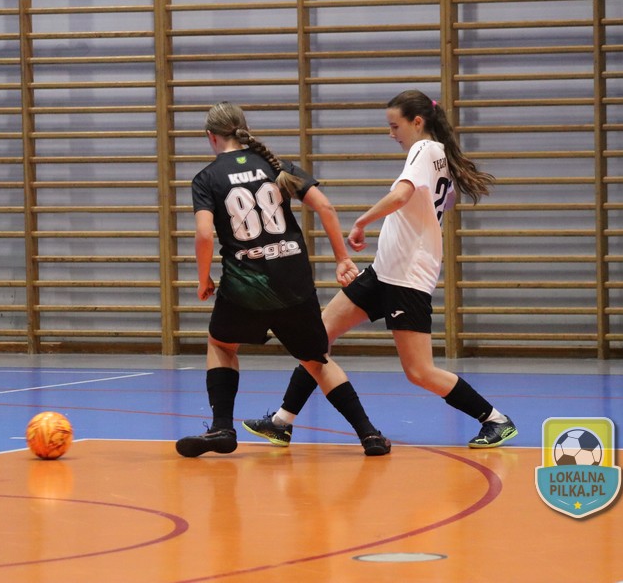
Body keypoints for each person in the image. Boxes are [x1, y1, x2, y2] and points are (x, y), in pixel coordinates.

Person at [242, 89, 518, 449]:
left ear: (417, 122)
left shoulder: (425, 149)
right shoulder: (439, 156)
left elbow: (402, 195)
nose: (391, 134)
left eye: (395, 126)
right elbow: (435, 203)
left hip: (406, 279)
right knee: (316, 338)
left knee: (419, 372)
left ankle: (495, 419)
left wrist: (362, 221)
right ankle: (282, 422)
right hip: (382, 273)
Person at [175, 101, 391, 458]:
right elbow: (326, 207)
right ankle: (369, 435)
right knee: (317, 361)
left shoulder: (207, 178)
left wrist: (203, 279)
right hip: (294, 284)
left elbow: (203, 234)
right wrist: (342, 258)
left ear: (211, 136)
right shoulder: (276, 166)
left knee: (222, 345)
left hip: (245, 287)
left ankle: (222, 427)